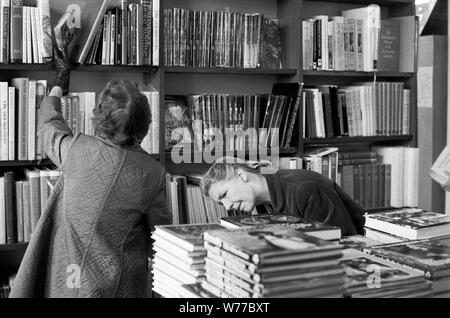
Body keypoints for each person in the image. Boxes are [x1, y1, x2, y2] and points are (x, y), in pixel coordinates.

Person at [10, 46, 171, 298]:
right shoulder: (153, 173)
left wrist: (60, 80)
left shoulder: (77, 149)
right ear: (146, 123)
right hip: (121, 288)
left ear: (98, 116)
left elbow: (48, 124)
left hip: (68, 284)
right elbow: (160, 241)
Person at [201, 162, 365, 236]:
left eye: (224, 195)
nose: (228, 206)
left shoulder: (304, 189)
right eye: (221, 203)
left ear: (241, 174)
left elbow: (345, 242)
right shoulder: (257, 205)